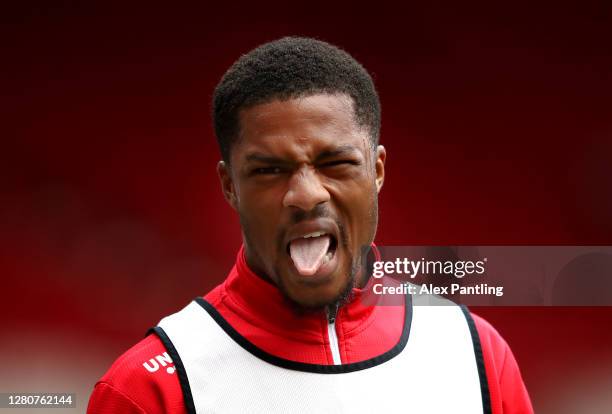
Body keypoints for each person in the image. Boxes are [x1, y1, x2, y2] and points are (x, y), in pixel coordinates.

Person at [87, 36, 533, 414]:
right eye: (269, 171)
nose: (305, 195)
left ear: (377, 170)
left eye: (336, 163)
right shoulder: (151, 388)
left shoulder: (475, 354)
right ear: (229, 185)